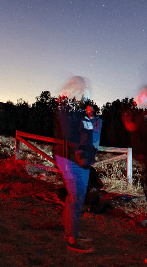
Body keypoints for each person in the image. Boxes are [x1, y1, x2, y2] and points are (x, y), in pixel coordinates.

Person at [54, 76, 101, 254]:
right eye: (84, 89)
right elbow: (71, 134)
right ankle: (73, 241)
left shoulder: (75, 109)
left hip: (77, 156)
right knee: (77, 198)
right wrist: (83, 152)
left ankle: (70, 233)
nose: (86, 93)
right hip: (73, 157)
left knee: (72, 197)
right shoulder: (68, 108)